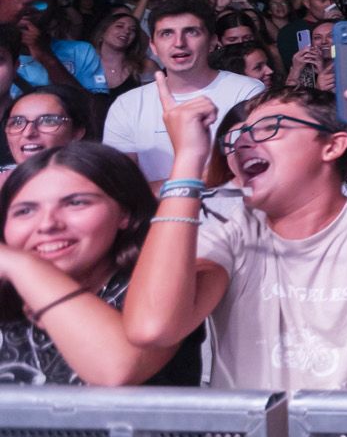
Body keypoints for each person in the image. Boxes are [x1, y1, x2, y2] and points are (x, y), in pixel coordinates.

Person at [121, 70, 347, 390]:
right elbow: (153, 327)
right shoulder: (229, 229)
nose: (244, 142)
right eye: (234, 139)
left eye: (269, 128)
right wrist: (186, 161)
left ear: (333, 144)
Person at [1, 144, 203, 386]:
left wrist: (22, 264)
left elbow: (116, 370)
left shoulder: (159, 291)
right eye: (24, 211)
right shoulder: (9, 295)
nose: (47, 224)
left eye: (76, 203)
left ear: (125, 214)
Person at [102, 0, 265, 186]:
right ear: (153, 46)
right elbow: (120, 185)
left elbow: (247, 167)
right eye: (166, 34)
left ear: (212, 41)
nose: (179, 43)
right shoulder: (127, 104)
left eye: (191, 32)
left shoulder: (247, 91)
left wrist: (163, 189)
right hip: (158, 214)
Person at [3, 85, 94, 170]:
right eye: (18, 122)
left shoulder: (95, 183)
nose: (28, 133)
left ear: (77, 133)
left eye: (48, 121)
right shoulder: (3, 182)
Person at [89, 7, 157, 99]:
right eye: (119, 26)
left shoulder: (145, 66)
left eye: (132, 30)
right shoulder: (84, 64)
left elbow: (156, 103)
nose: (127, 31)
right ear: (102, 33)